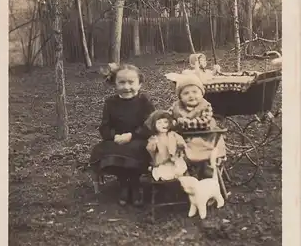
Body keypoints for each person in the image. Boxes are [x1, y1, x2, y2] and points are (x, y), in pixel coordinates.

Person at [89, 64, 155, 206]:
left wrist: (132, 135)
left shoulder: (144, 101)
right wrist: (114, 137)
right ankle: (124, 182)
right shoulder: (110, 103)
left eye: (131, 83)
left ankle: (135, 184)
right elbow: (105, 127)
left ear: (140, 84)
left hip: (138, 138)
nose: (126, 87)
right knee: (105, 150)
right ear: (115, 84)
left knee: (138, 149)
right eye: (122, 82)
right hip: (117, 140)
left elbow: (150, 124)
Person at [170, 74, 226, 178]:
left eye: (195, 92)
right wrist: (171, 122)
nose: (191, 95)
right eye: (186, 93)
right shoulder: (176, 107)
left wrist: (182, 122)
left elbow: (204, 122)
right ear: (180, 97)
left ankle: (207, 170)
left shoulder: (205, 106)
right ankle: (184, 173)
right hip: (185, 140)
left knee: (207, 154)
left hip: (205, 139)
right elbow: (168, 117)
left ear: (201, 93)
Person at [146, 110, 188, 181]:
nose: (163, 125)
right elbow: (150, 149)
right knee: (162, 171)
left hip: (174, 159)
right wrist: (153, 144)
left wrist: (181, 145)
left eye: (165, 122)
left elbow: (181, 142)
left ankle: (177, 176)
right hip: (162, 161)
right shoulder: (154, 138)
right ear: (154, 125)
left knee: (179, 167)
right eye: (159, 123)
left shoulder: (173, 134)